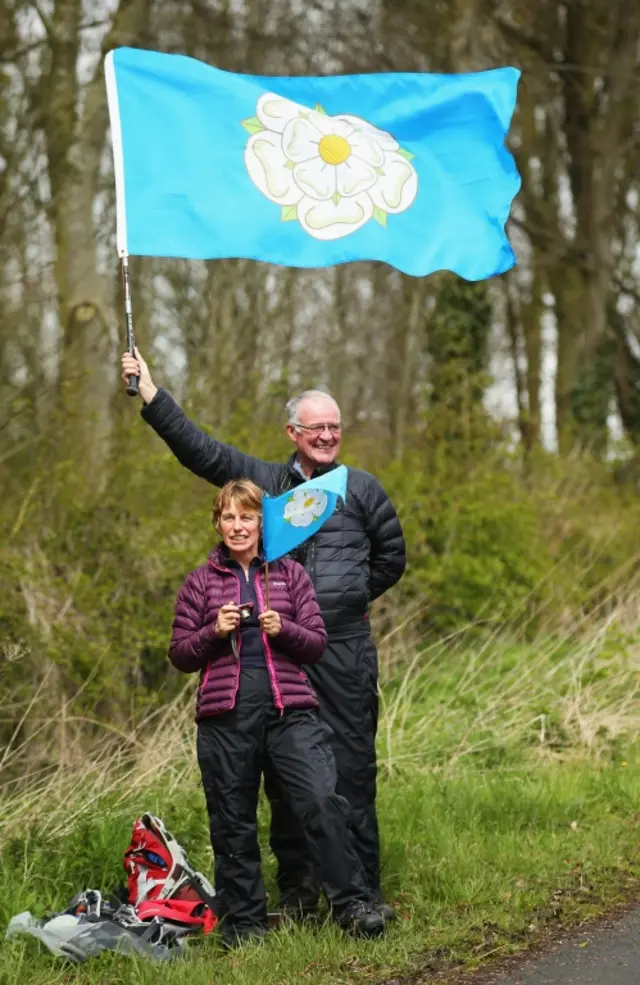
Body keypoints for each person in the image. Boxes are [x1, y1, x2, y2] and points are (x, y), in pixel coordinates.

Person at [122, 348, 406, 921]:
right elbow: (202, 452)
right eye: (316, 427)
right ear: (292, 432)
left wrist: (341, 604)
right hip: (279, 658)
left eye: (334, 427)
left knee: (349, 772)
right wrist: (152, 396)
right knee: (286, 778)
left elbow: (390, 560)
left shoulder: (364, 490)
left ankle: (360, 893)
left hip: (343, 651)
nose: (327, 436)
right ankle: (300, 896)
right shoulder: (268, 487)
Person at [170, 478, 384, 946]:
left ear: (262, 523)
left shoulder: (289, 575)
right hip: (224, 720)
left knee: (322, 800)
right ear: (217, 523)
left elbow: (315, 645)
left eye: (247, 517)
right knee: (232, 822)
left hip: (291, 712)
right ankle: (245, 927)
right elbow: (181, 654)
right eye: (229, 517)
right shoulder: (200, 582)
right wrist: (212, 630)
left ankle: (351, 904)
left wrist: (283, 627)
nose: (238, 526)